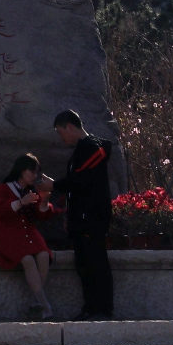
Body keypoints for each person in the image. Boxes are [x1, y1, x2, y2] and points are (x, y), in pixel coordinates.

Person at [51, 109, 114, 319]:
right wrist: (71, 216)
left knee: (95, 263)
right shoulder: (78, 151)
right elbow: (77, 186)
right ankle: (90, 308)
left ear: (70, 126)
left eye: (61, 132)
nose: (61, 137)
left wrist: (54, 185)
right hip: (80, 218)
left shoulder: (93, 148)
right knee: (84, 265)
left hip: (92, 217)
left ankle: (102, 309)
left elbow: (82, 180)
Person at [0, 153, 56, 318]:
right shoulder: (3, 188)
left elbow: (43, 216)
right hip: (10, 234)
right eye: (32, 171)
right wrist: (21, 202)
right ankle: (45, 305)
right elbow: (0, 210)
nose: (35, 176)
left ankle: (37, 301)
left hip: (30, 232)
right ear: (21, 170)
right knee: (27, 259)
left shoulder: (32, 190)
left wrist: (44, 201)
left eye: (36, 172)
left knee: (43, 255)